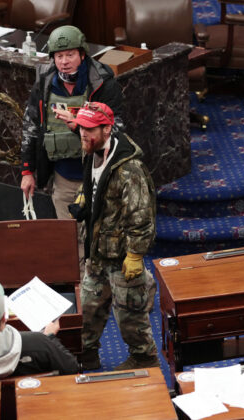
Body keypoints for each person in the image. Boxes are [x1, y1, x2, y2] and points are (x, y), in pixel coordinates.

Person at [68, 101, 159, 371]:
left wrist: (134, 255)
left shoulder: (130, 170)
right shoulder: (92, 150)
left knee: (131, 320)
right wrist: (86, 198)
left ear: (107, 129)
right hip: (97, 253)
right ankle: (86, 356)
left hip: (122, 259)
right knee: (87, 312)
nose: (84, 133)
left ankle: (145, 361)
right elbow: (95, 184)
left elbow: (141, 217)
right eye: (82, 127)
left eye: (90, 129)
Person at [20, 25, 124, 219]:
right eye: (59, 57)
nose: (64, 62)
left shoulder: (103, 84)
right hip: (63, 179)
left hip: (98, 176)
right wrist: (27, 171)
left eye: (70, 55)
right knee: (70, 240)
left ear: (82, 55)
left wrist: (79, 125)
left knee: (100, 239)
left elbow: (116, 132)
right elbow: (31, 127)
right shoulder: (44, 83)